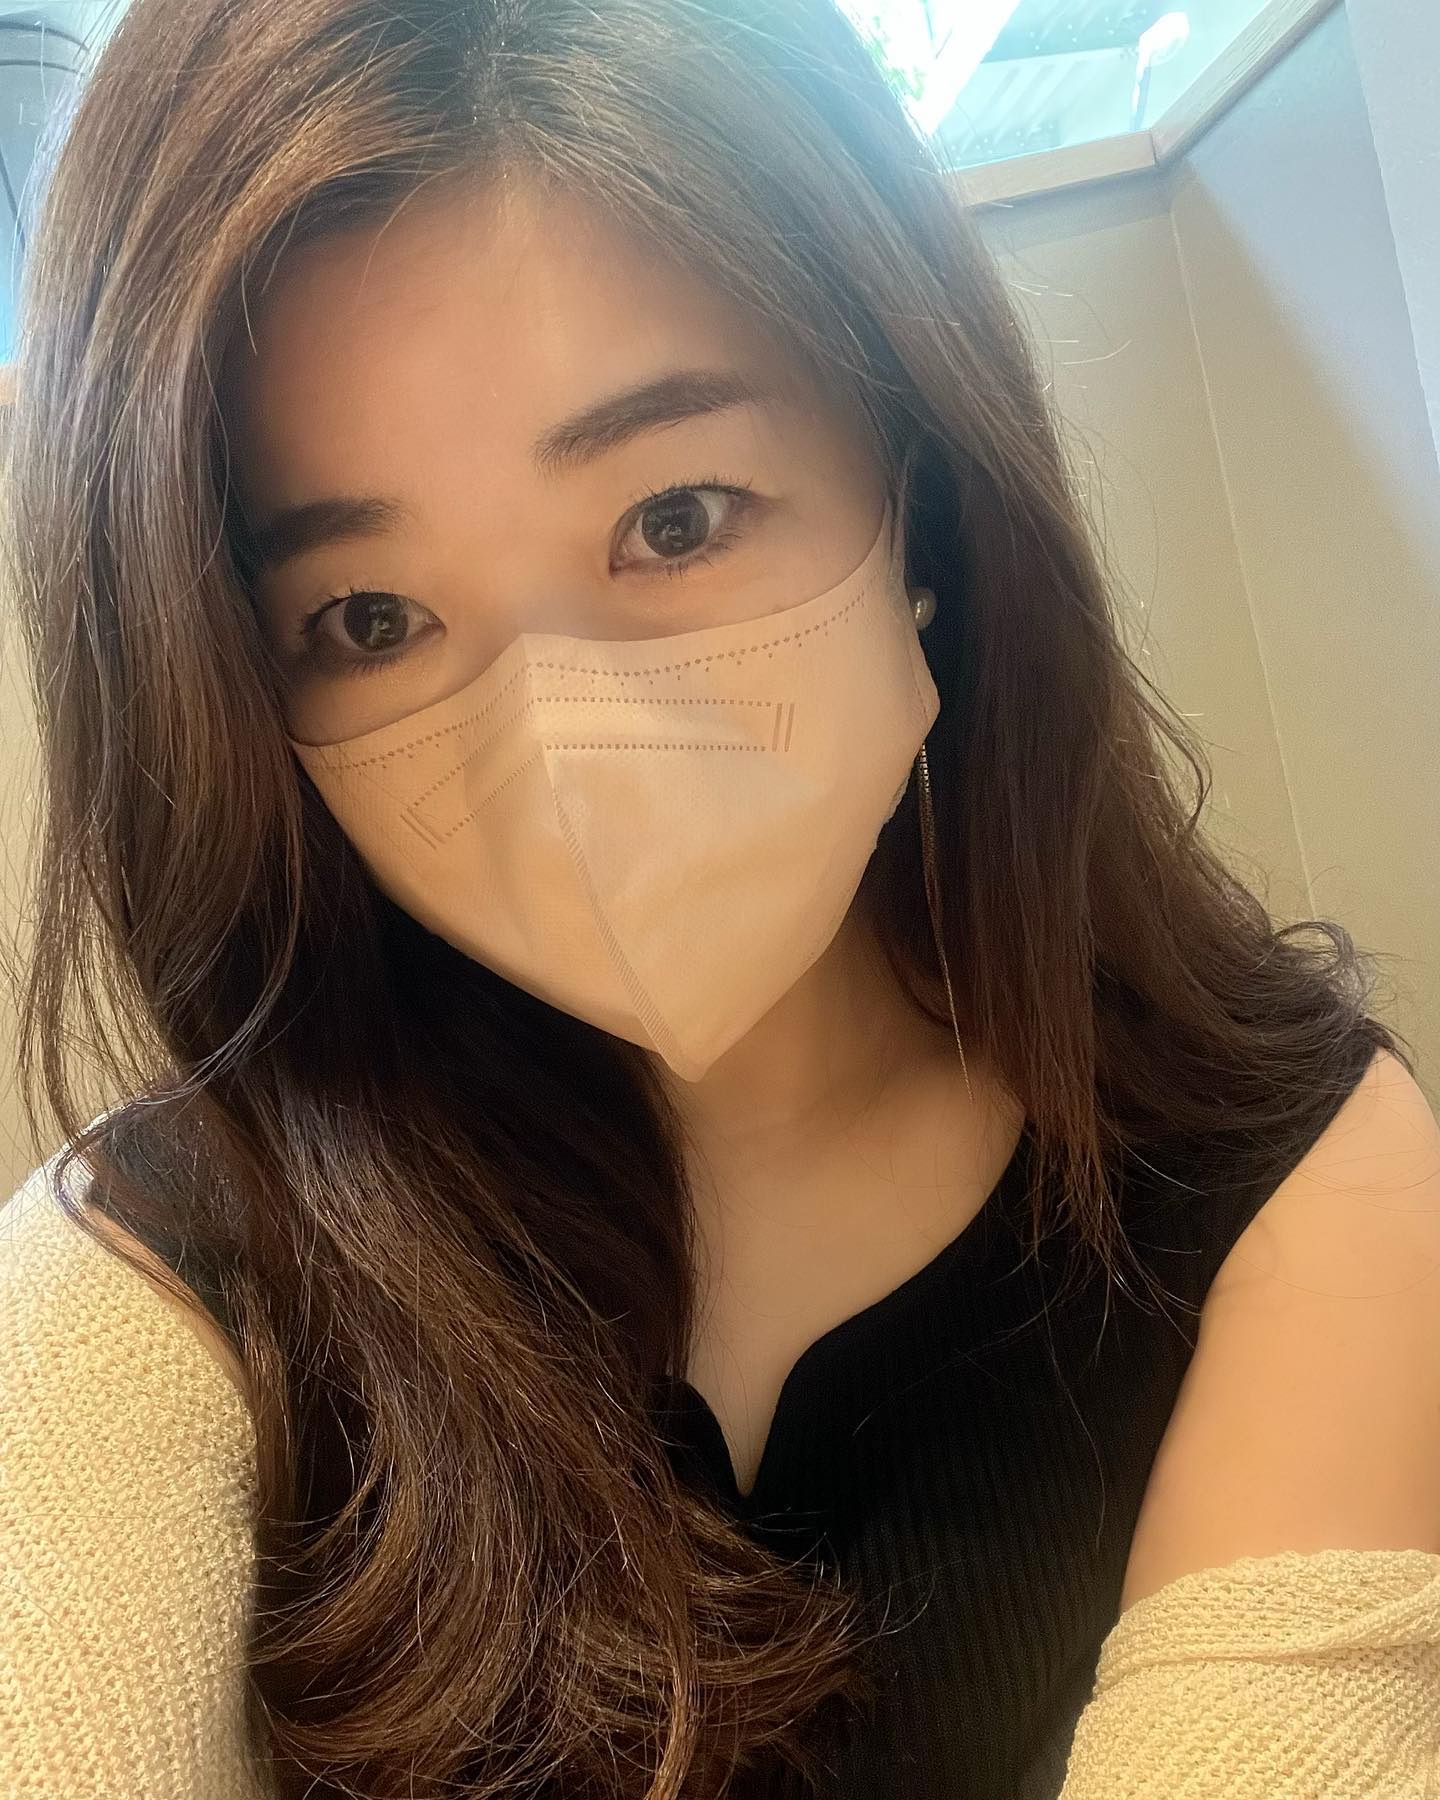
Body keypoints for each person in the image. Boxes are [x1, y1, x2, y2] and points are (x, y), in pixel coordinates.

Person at [2, 0, 1439, 1795]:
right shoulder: (155, 1272)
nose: (563, 748)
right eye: (371, 621)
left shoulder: (1291, 1177)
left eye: (675, 517)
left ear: (919, 484)